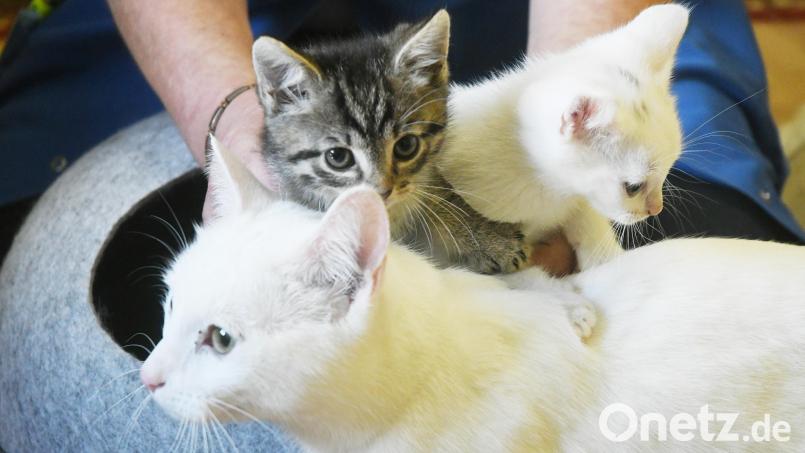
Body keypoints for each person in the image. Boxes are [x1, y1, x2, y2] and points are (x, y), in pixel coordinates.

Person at [1, 0, 803, 272]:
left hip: (545, 16)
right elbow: (244, 121)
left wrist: (572, 149)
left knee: (692, 247)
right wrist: (233, 119)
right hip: (240, 21)